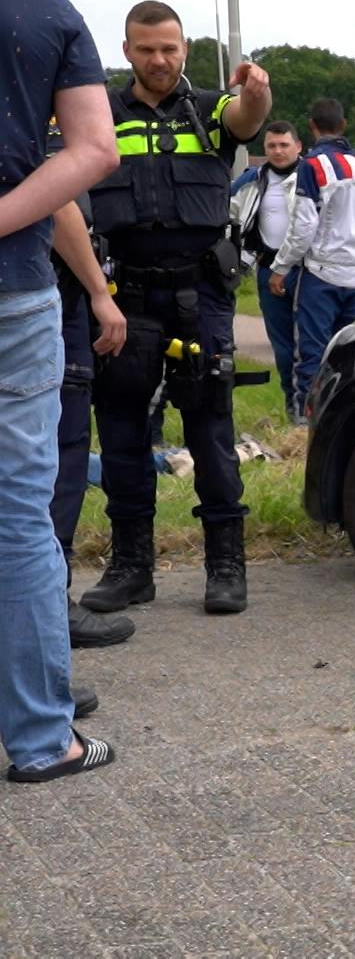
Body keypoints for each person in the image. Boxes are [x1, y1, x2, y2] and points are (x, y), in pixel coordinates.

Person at [79, 0, 271, 618]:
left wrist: (258, 93)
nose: (158, 60)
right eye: (146, 49)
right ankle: (131, 566)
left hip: (200, 296)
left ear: (185, 48)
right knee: (123, 431)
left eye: (169, 48)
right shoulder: (101, 112)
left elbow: (247, 118)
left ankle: (225, 565)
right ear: (128, 50)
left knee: (211, 429)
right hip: (123, 298)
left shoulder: (209, 107)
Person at [0, 0, 120, 783]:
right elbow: (93, 151)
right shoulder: (39, 5)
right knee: (17, 517)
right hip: (12, 296)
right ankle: (44, 739)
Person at [45, 120, 136, 649]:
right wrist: (100, 293)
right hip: (49, 303)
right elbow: (60, 206)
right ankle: (48, 610)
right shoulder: (30, 113)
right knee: (59, 457)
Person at [268, 98, 355, 421]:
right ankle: (346, 419)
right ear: (343, 125)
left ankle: (308, 423)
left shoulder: (312, 166)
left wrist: (281, 267)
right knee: (348, 353)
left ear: (312, 127)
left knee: (312, 353)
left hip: (321, 275)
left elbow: (303, 226)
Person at [230, 120, 303, 419]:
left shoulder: (316, 179)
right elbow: (226, 211)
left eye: (284, 145)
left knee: (312, 344)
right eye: (272, 145)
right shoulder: (252, 181)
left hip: (308, 270)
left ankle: (317, 405)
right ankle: (293, 405)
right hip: (267, 268)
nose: (278, 151)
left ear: (299, 147)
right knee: (283, 347)